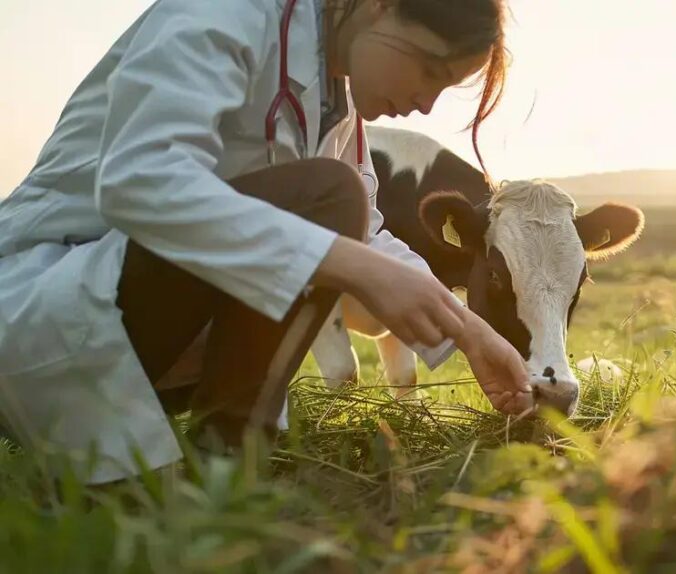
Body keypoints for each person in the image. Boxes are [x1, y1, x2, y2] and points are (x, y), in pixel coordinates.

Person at [0, 0, 534, 485]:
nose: (425, 105)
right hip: (46, 297)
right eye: (429, 70)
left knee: (335, 203)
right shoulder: (222, 14)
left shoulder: (337, 99)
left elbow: (365, 233)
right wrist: (348, 263)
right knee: (329, 198)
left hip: (139, 327)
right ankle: (227, 460)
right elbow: (139, 180)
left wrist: (471, 332)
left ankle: (229, 470)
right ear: (379, 5)